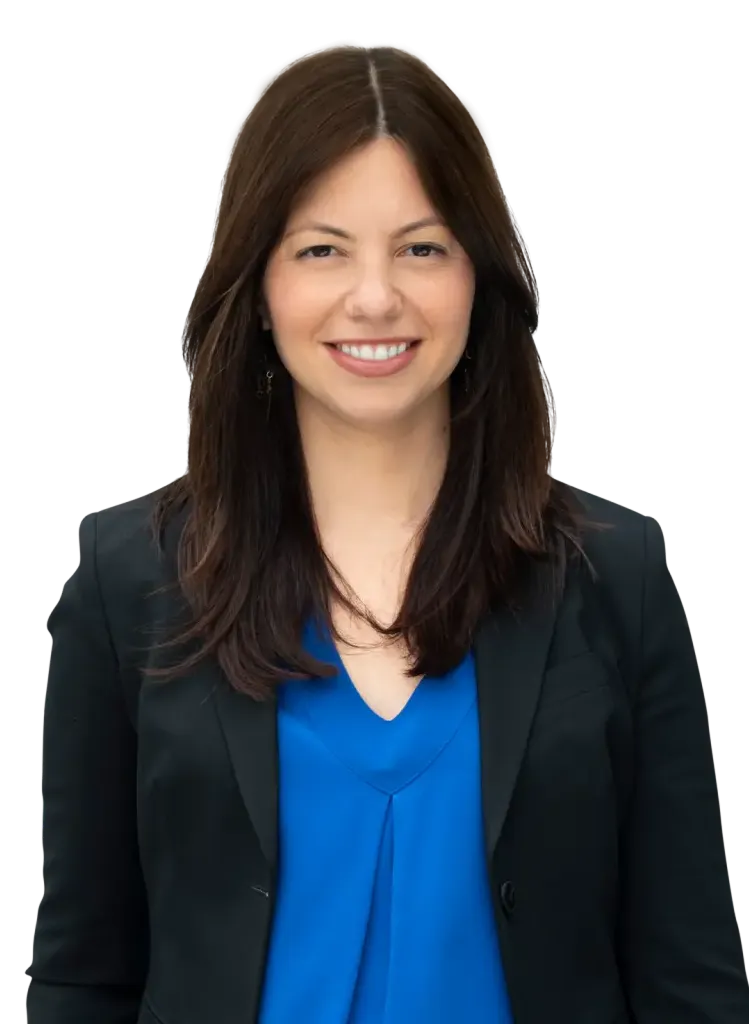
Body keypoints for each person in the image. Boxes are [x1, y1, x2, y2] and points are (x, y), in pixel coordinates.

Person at [27, 40, 748, 1024]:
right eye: (321, 249)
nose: (374, 297)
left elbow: (688, 975)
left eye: (421, 246)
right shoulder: (127, 581)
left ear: (477, 277)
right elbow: (81, 969)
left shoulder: (612, 577)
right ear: (261, 282)